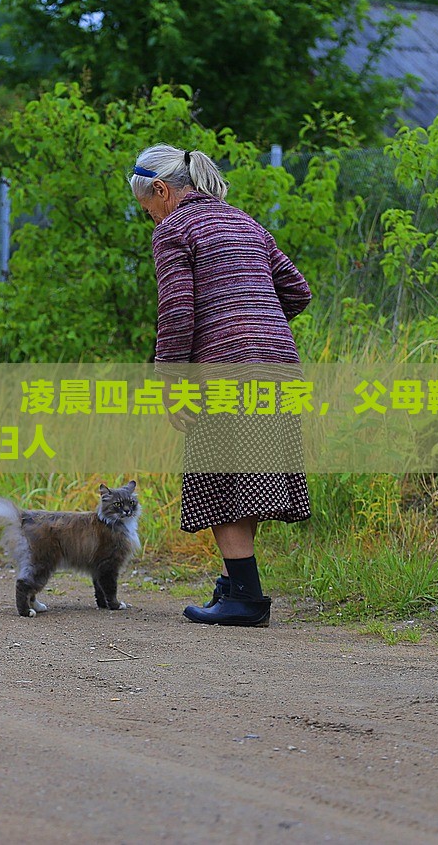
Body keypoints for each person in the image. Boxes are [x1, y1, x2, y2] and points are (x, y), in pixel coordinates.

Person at [129, 143, 312, 627]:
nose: (150, 219)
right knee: (243, 477)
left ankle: (247, 600)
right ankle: (236, 586)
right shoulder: (244, 220)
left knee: (220, 476)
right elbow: (297, 290)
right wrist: (254, 320)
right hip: (277, 361)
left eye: (147, 209)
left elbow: (177, 312)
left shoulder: (175, 229)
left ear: (163, 191)